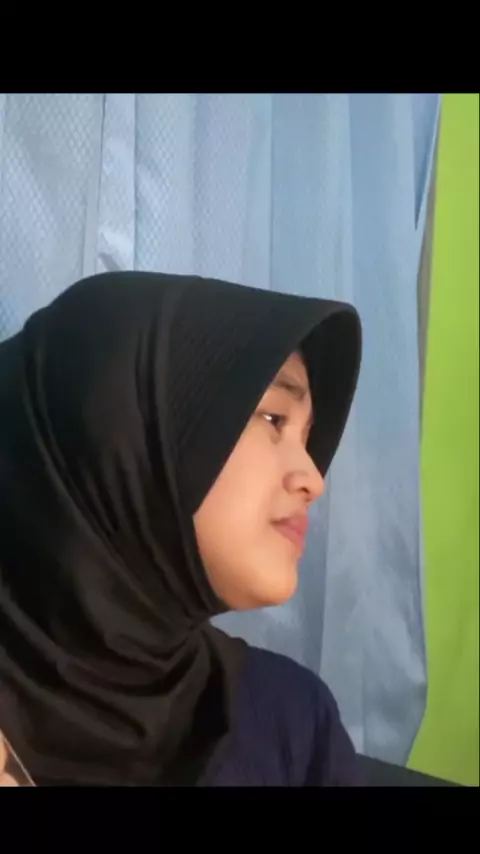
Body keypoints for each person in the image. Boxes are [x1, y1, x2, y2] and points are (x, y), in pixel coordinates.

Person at [0, 270, 362, 787]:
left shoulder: (292, 724)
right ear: (117, 428)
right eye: (274, 419)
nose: (313, 479)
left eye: (306, 438)